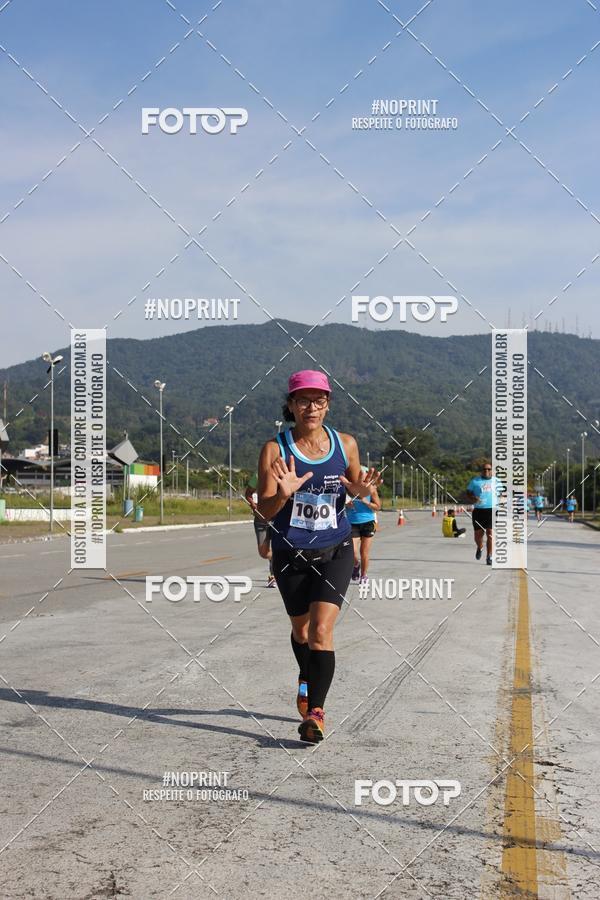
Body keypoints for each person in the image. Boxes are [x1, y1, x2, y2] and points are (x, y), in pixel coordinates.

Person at [256, 370, 380, 744]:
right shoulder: (275, 450)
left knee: (322, 632)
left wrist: (361, 492)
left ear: (328, 404)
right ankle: (306, 675)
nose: (312, 407)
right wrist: (283, 494)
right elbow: (264, 510)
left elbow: (366, 494)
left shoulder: (346, 445)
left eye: (319, 400)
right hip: (290, 553)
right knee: (302, 631)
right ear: (291, 405)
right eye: (303, 400)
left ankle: (316, 713)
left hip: (335, 550)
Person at [346, 466, 381, 584]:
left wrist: (367, 502)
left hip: (368, 522)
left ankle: (364, 575)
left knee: (364, 552)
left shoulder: (371, 490)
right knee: (353, 551)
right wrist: (346, 504)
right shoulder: (349, 489)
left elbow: (378, 506)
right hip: (352, 523)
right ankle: (356, 565)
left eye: (364, 474)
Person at [245, 473, 275, 587]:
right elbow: (248, 493)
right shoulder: (258, 475)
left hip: (278, 519)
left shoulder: (283, 473)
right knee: (264, 553)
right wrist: (253, 505)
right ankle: (275, 561)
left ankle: (274, 576)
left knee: (279, 548)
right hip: (261, 519)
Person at [466, 462, 499, 565]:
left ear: (492, 471)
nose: (487, 471)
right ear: (481, 470)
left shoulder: (497, 481)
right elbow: (468, 492)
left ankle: (489, 556)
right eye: (485, 469)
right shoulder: (475, 481)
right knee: (478, 536)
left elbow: (501, 494)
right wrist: (473, 498)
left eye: (489, 469)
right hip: (479, 511)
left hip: (492, 510)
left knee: (490, 534)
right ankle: (480, 547)